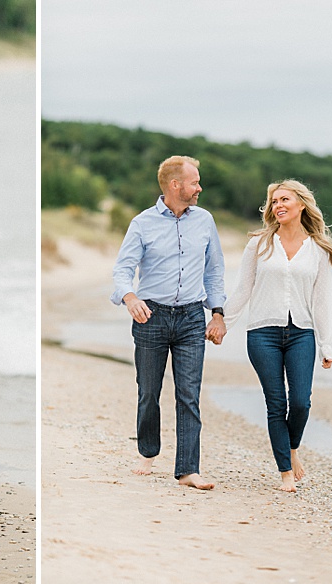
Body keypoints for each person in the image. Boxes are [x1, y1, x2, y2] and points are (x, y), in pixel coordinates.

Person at [111, 155, 226, 490]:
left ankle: (188, 470)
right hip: (151, 317)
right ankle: (148, 452)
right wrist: (129, 298)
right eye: (195, 182)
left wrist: (217, 312)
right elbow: (122, 269)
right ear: (176, 186)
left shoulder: (205, 221)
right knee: (149, 392)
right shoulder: (142, 223)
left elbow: (214, 270)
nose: (199, 187)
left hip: (192, 317)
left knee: (188, 394)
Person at [224, 179, 332, 493]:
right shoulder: (259, 244)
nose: (278, 206)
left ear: (302, 204)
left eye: (284, 199)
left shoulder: (318, 249)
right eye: (274, 202)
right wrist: (223, 322)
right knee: (277, 404)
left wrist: (326, 344)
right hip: (263, 333)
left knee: (300, 402)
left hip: (302, 333)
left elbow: (323, 299)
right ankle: (286, 471)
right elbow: (243, 289)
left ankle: (293, 448)